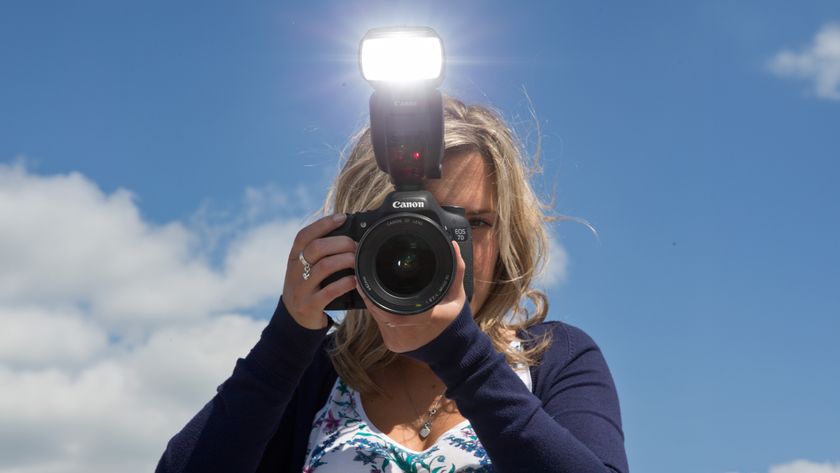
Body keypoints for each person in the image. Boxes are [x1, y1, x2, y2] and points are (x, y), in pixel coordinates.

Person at [155, 97, 628, 473]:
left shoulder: (555, 358)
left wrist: (461, 355)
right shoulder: (315, 379)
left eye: (473, 223)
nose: (440, 249)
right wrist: (287, 338)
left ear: (508, 239)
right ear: (359, 230)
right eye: (415, 226)